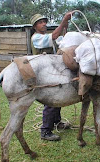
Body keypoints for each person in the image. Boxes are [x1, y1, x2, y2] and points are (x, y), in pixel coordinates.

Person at [30, 12, 73, 141]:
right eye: (40, 22)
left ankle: (57, 123)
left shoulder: (47, 37)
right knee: (51, 100)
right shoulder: (36, 38)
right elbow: (55, 35)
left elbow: (61, 40)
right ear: (35, 26)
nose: (43, 24)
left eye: (44, 22)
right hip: (43, 73)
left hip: (52, 71)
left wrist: (65, 28)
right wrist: (64, 20)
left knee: (58, 96)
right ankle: (45, 131)